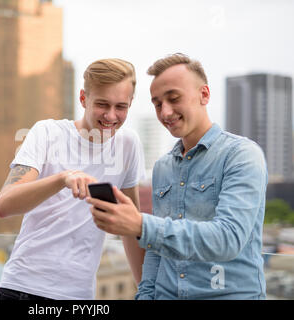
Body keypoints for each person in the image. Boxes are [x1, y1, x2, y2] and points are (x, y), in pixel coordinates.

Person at [87, 53, 268, 299]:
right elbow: (156, 251)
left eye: (174, 99)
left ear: (204, 94)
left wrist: (140, 225)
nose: (165, 112)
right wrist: (145, 294)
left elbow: (228, 239)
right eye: (157, 103)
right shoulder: (163, 167)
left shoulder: (241, 155)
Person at [0, 58, 146, 300]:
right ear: (83, 98)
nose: (111, 115)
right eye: (102, 104)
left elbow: (130, 225)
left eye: (121, 106)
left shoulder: (129, 144)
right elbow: (5, 205)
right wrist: (63, 178)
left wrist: (146, 290)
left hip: (80, 296)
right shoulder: (47, 132)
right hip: (24, 289)